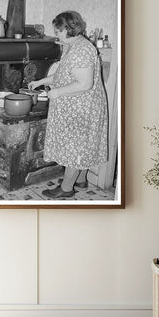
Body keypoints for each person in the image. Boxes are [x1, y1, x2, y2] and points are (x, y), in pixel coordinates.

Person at [28, 11, 108, 199]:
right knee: (80, 145)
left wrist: (56, 92)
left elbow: (84, 84)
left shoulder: (82, 49)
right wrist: (40, 82)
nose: (56, 34)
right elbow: (62, 74)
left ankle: (66, 189)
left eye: (58, 30)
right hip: (75, 105)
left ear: (69, 29)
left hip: (82, 107)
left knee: (76, 147)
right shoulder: (71, 46)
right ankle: (80, 179)